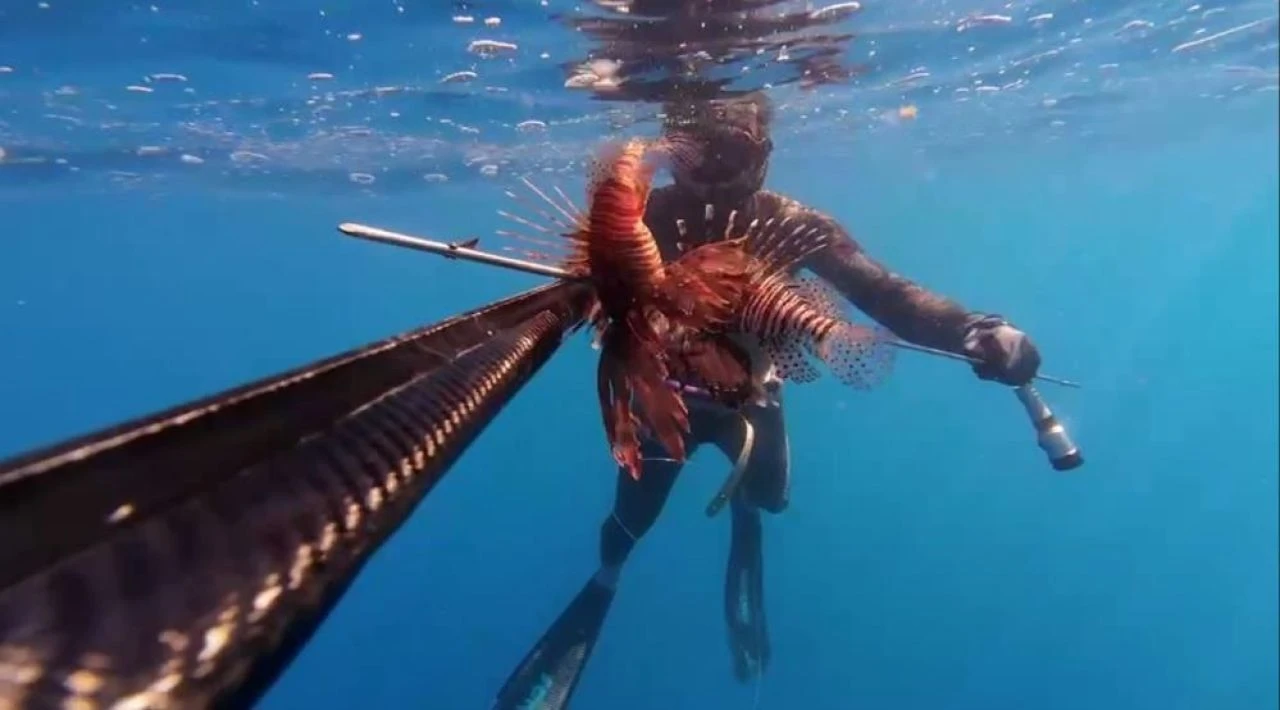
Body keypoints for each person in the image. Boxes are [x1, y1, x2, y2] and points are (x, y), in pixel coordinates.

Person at [492, 92, 1042, 709]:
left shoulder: (796, 224)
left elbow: (885, 293)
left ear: (764, 155)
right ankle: (607, 576)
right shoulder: (642, 220)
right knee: (630, 521)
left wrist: (971, 329)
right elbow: (586, 286)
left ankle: (743, 513)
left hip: (755, 399)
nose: (715, 173)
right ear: (675, 154)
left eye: (732, 152)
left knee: (769, 498)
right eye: (699, 152)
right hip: (662, 397)